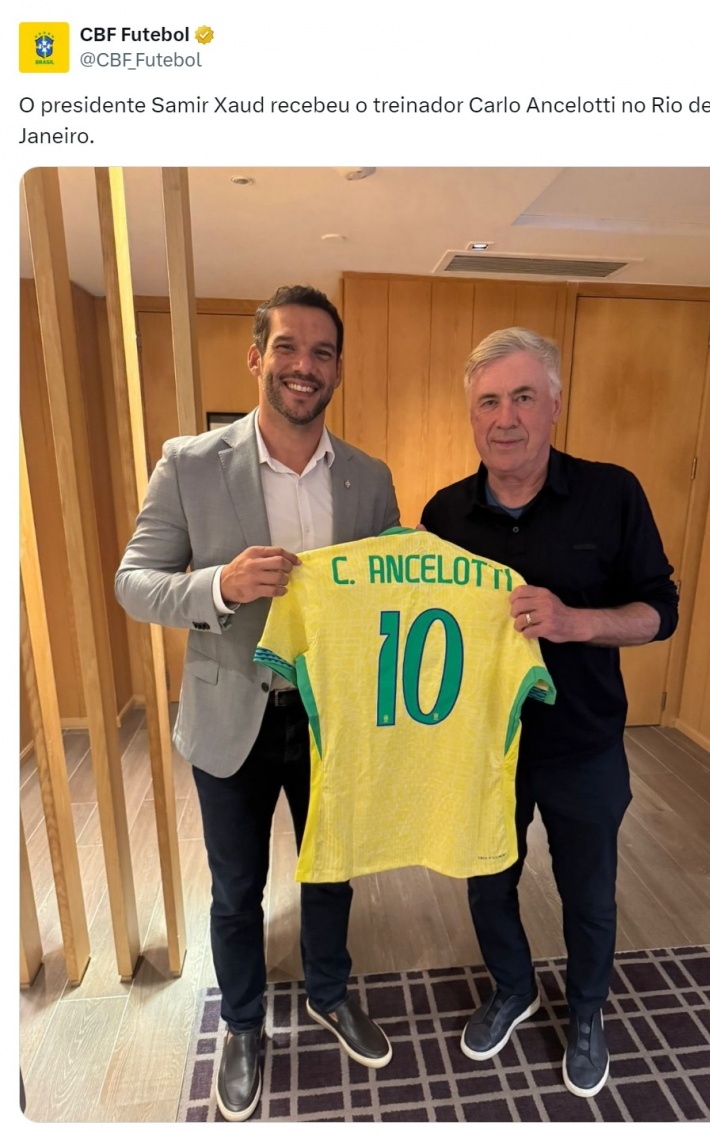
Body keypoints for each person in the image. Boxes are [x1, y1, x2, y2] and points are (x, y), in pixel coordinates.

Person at [115, 285, 400, 1121]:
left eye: (321, 352)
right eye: (287, 348)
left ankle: (329, 992)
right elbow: (134, 582)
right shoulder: (189, 462)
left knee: (333, 871)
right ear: (256, 358)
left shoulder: (370, 480)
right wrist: (220, 586)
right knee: (236, 888)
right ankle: (243, 1026)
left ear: (337, 369)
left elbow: (387, 597)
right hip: (230, 715)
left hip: (331, 719)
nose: (304, 366)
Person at [420, 327, 679, 1099]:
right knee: (486, 884)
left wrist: (577, 621)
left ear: (555, 404)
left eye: (523, 397)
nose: (505, 418)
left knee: (588, 895)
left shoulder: (613, 493)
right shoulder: (443, 515)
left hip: (583, 746)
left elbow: (660, 611)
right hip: (481, 749)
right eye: (488, 402)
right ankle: (513, 988)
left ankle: (588, 1011)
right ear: (472, 415)